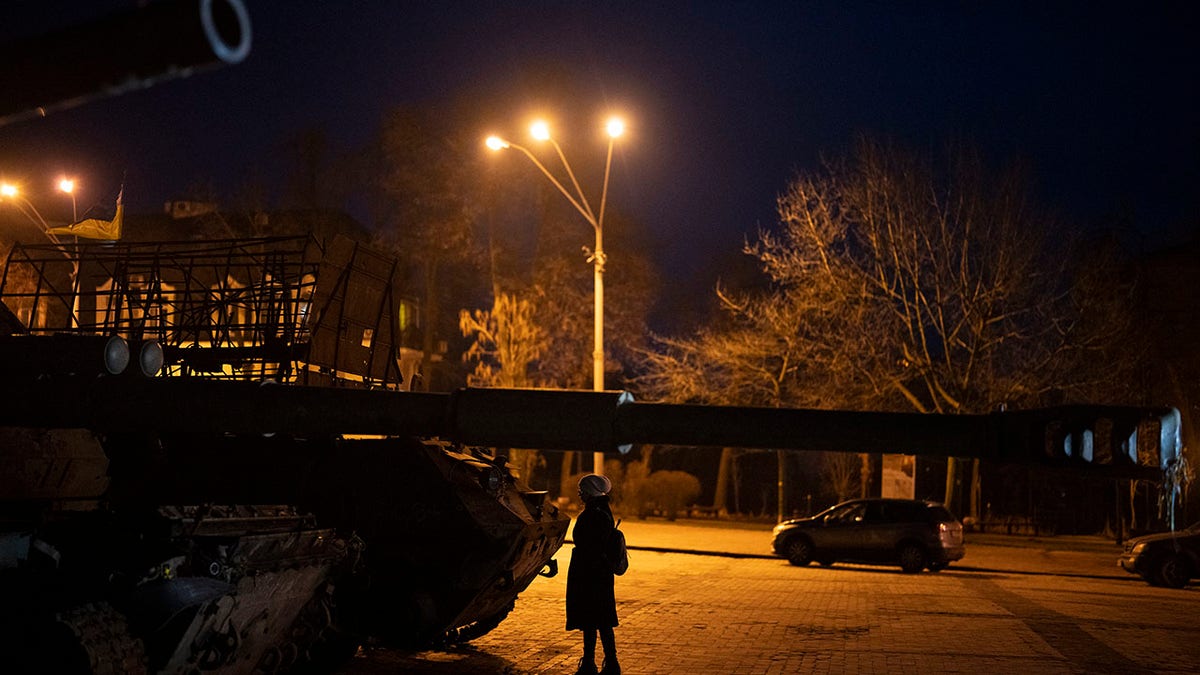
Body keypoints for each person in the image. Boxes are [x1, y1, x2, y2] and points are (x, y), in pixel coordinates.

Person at [566, 473, 620, 675]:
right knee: (603, 621)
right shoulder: (603, 510)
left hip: (590, 574)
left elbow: (587, 544)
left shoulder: (592, 514)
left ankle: (590, 664)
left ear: (590, 493)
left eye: (582, 491)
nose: (579, 494)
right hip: (601, 574)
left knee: (591, 621)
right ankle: (610, 663)